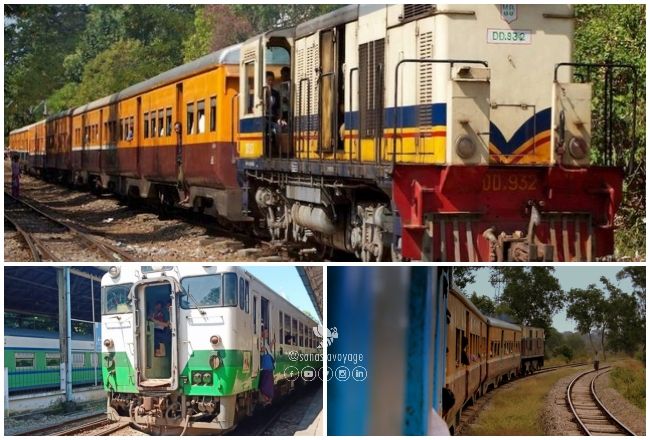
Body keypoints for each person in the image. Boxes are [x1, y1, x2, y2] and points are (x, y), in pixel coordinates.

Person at [259, 326, 275, 403]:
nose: (268, 334)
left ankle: (267, 398)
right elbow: (260, 349)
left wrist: (271, 343)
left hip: (269, 364)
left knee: (269, 382)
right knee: (266, 382)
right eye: (266, 332)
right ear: (262, 333)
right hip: (266, 364)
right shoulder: (260, 340)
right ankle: (266, 397)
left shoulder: (265, 341)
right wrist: (263, 349)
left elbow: (269, 350)